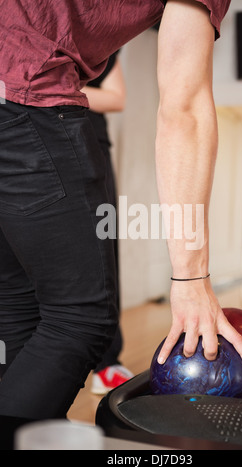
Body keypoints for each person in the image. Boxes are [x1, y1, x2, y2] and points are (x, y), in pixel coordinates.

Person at [0, 0, 242, 421]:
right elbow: (183, 110)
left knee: (19, 304)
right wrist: (191, 279)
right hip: (23, 94)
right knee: (78, 321)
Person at [81, 53, 134, 394]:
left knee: (103, 252)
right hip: (25, 146)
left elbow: (116, 98)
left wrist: (54, 91)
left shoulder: (101, 45)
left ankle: (106, 362)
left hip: (92, 150)